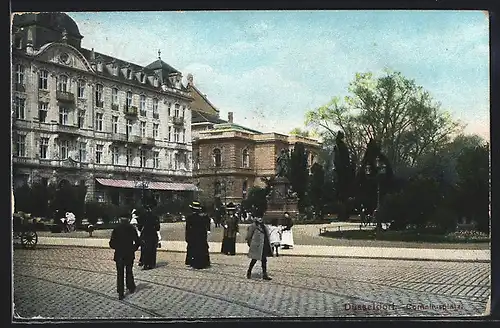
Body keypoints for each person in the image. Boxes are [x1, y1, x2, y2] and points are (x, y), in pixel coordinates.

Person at [109, 216, 140, 300]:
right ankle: (131, 287)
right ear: (128, 220)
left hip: (119, 254)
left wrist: (118, 247)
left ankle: (121, 292)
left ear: (120, 219)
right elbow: (138, 241)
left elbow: (111, 243)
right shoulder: (132, 228)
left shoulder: (116, 229)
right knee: (129, 271)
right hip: (129, 253)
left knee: (120, 273)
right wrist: (133, 249)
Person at [245, 207, 272, 280]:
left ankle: (264, 274)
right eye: (258, 217)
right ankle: (249, 272)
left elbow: (266, 235)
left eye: (261, 217)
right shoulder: (253, 226)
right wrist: (250, 244)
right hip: (256, 246)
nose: (260, 219)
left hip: (263, 245)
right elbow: (248, 236)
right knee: (254, 260)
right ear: (255, 218)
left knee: (264, 260)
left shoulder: (263, 226)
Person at [185, 201, 211, 269]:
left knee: (192, 249)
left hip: (192, 237)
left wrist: (187, 237)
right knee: (201, 250)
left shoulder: (189, 217)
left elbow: (188, 229)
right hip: (201, 237)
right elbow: (205, 228)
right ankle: (203, 263)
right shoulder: (202, 218)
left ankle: (192, 262)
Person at [140, 206, 159, 270]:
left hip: (145, 234)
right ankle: (152, 264)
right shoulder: (155, 216)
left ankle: (145, 263)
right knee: (153, 249)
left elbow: (139, 227)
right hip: (153, 234)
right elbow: (157, 227)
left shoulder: (142, 216)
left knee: (145, 249)